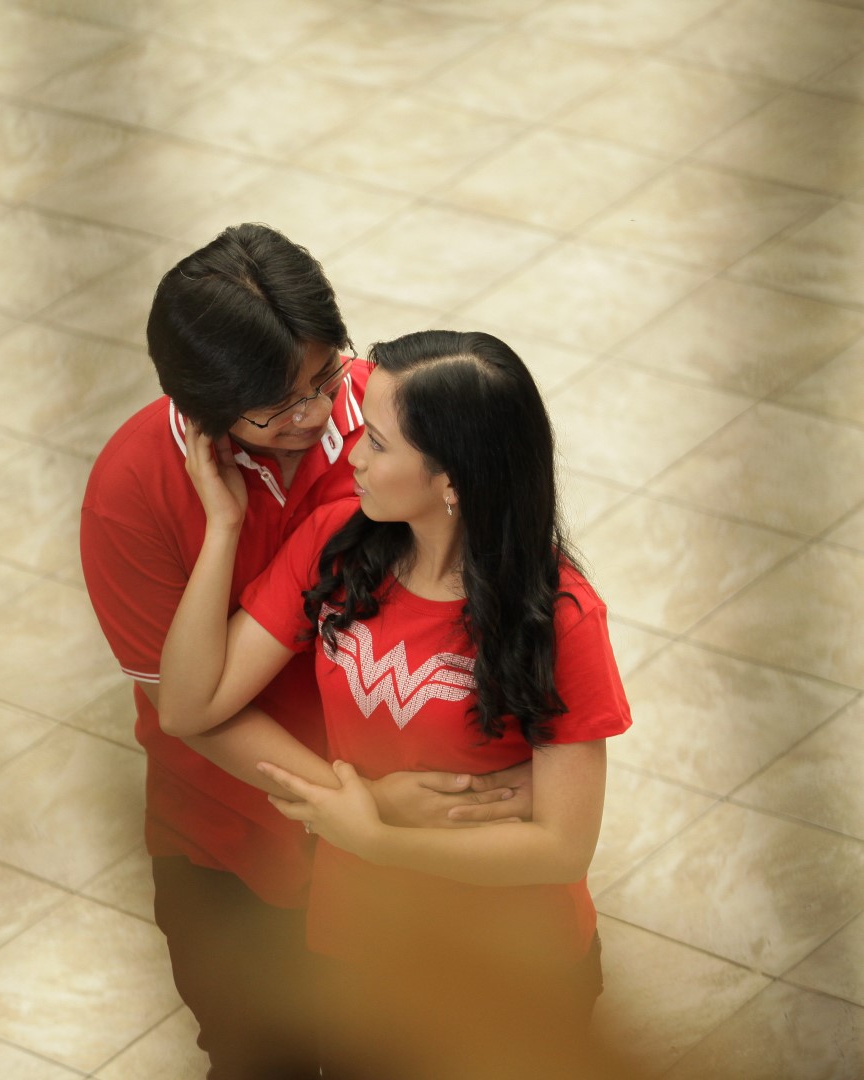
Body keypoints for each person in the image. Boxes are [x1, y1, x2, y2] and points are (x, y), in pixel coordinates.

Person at [80, 228, 531, 1080]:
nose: (320, 415)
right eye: (278, 407)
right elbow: (189, 710)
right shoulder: (131, 489)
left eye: (325, 377)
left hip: (406, 847)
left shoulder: (389, 431)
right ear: (201, 400)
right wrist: (358, 803)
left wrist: (391, 813)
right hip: (232, 843)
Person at [158, 330, 631, 1074]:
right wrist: (224, 528)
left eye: (377, 443)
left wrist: (377, 839)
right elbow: (186, 706)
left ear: (453, 480)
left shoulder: (559, 619)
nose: (351, 456)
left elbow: (563, 846)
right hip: (361, 950)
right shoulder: (339, 545)